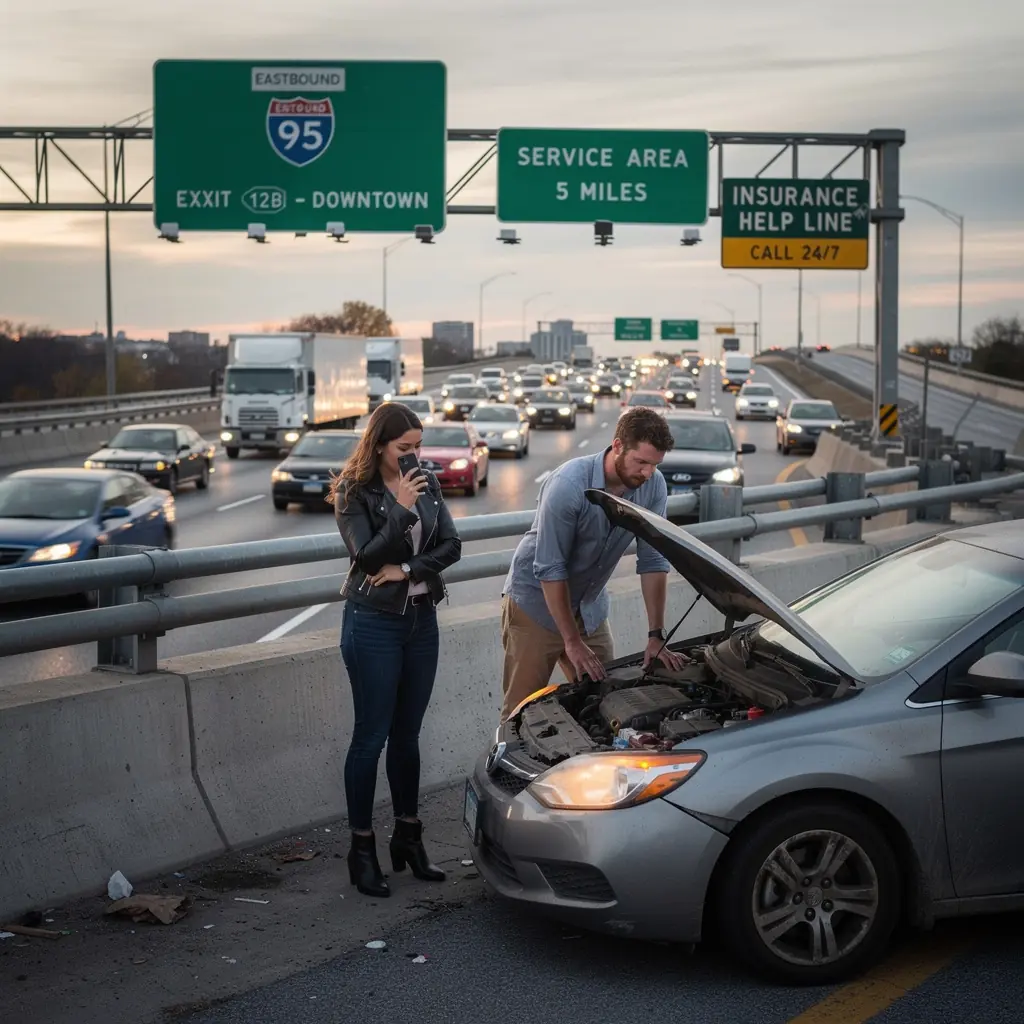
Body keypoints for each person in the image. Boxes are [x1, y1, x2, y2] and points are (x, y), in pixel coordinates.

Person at [329, 402, 462, 898]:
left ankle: (408, 836)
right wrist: (401, 507)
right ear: (380, 445)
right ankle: (361, 850)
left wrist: (407, 571)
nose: (414, 457)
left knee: (408, 736)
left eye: (419, 447)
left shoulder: (427, 482)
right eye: (405, 447)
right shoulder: (354, 491)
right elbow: (366, 558)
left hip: (421, 621)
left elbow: (452, 546)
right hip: (373, 624)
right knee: (371, 738)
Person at [500, 407, 687, 720]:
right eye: (641, 462)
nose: (647, 473)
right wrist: (571, 641)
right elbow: (549, 567)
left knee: (607, 702)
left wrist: (656, 635)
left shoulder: (653, 485)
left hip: (589, 607)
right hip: (536, 604)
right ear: (617, 446)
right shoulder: (569, 484)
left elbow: (653, 559)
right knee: (521, 712)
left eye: (655, 464)